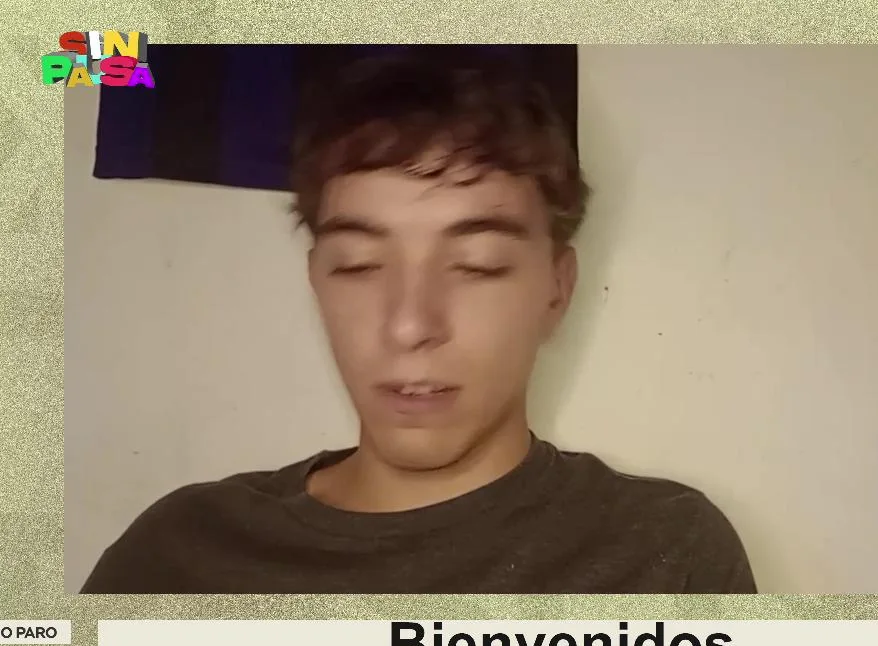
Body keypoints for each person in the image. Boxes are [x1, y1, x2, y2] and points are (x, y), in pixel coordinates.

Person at [81, 49, 756, 594]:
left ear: (557, 290)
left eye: (478, 265)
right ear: (317, 283)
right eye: (359, 266)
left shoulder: (665, 554)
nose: (409, 325)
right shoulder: (179, 556)